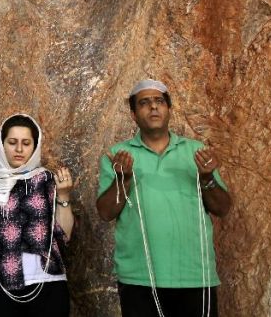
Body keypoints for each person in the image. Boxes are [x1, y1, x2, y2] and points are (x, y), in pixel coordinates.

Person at [96, 79, 232, 317]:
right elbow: (106, 213)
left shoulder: (196, 152)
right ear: (134, 114)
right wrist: (123, 179)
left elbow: (222, 208)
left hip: (195, 275)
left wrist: (207, 177)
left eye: (159, 101)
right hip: (139, 277)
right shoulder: (117, 156)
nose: (154, 107)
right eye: (144, 103)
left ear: (169, 109)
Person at [0, 114, 75, 317]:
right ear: (2, 145)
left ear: (34, 146)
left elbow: (65, 235)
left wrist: (64, 195)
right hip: (1, 286)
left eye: (26, 143)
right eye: (12, 142)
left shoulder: (47, 180)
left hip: (48, 285)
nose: (19, 149)